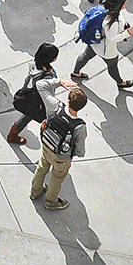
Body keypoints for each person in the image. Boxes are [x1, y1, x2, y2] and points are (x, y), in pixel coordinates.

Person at [29, 79, 88, 211]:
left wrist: (61, 82)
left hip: (47, 146)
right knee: (57, 178)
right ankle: (51, 202)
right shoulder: (80, 126)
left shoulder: (55, 106)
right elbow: (80, 150)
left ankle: (35, 192)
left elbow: (40, 85)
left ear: (68, 100)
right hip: (62, 157)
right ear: (82, 107)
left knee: (42, 168)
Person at [6, 42, 59, 144]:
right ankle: (12, 135)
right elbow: (48, 91)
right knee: (29, 117)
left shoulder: (34, 64)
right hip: (40, 101)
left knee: (28, 116)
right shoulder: (47, 76)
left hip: (32, 95)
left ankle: (12, 134)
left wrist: (24, 88)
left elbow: (28, 79)